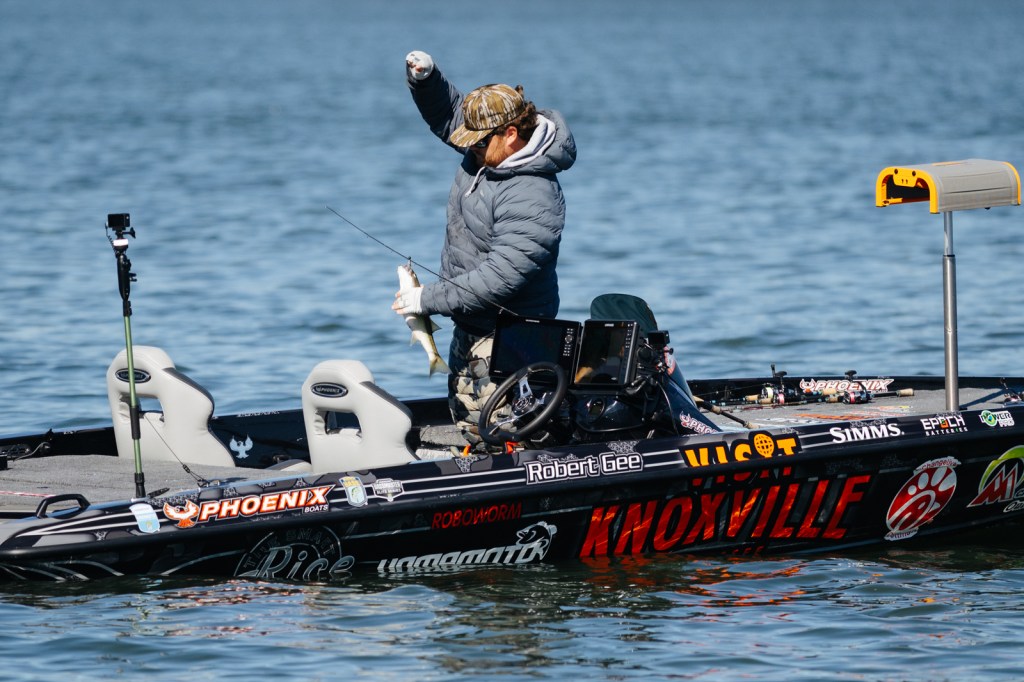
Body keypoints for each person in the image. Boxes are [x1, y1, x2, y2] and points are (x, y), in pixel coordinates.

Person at [393, 51, 576, 452]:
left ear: (510, 133)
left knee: (507, 431)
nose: (469, 148)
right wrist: (427, 80)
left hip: (512, 335)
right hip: (470, 321)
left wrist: (426, 299)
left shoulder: (532, 194)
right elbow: (450, 115)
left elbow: (501, 276)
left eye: (477, 143)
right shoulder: (487, 150)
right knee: (470, 421)